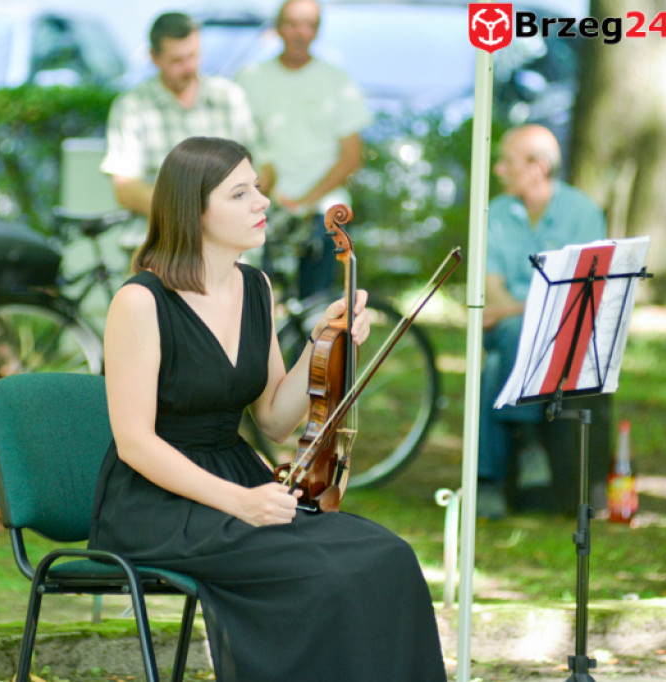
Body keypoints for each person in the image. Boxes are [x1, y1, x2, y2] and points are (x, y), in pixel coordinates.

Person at [89, 136, 446, 681]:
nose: (262, 202)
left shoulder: (255, 287)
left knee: (388, 557)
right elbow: (136, 443)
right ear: (194, 210)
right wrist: (241, 503)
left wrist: (325, 341)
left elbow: (276, 420)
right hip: (156, 502)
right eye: (240, 193)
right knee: (322, 577)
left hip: (240, 480)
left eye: (256, 187)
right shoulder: (140, 301)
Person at [477, 124, 607, 519]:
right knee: (514, 335)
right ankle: (529, 442)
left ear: (538, 167)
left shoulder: (582, 213)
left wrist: (517, 311)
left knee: (498, 365)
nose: (499, 170)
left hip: (565, 333)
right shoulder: (496, 213)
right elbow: (491, 287)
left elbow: (581, 295)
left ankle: (492, 478)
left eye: (508, 162)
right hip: (509, 331)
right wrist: (524, 310)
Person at [235, 0, 371, 299]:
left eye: (310, 25)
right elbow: (236, 145)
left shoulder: (337, 81)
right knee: (254, 296)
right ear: (278, 27)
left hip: (323, 207)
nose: (301, 33)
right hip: (264, 202)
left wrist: (306, 202)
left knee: (315, 303)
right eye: (293, 24)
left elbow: (351, 157)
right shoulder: (250, 78)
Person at [99, 12, 269, 218]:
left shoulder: (229, 98)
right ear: (154, 57)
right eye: (177, 61)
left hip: (228, 236)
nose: (188, 68)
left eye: (193, 56)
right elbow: (126, 189)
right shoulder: (132, 107)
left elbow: (265, 167)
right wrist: (187, 213)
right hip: (162, 239)